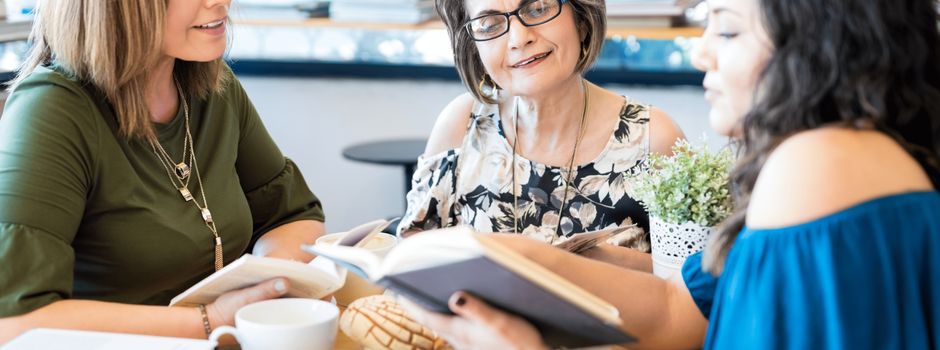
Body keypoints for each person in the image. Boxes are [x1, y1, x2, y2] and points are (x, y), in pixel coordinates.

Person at [400, 0, 940, 348]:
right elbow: (675, 310)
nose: (699, 50)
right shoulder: (849, 160)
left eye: (726, 31)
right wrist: (507, 257)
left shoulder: (818, 167)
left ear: (819, 47)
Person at [0, 0, 326, 343]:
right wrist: (212, 319)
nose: (221, 2)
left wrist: (271, 286)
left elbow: (292, 214)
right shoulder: (52, 111)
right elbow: (14, 322)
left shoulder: (213, 88)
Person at [396, 0, 685, 266]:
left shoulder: (653, 138)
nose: (519, 38)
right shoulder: (460, 125)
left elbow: (693, 293)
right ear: (474, 46)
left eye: (538, 8)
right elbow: (412, 264)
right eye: (490, 24)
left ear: (581, 17)